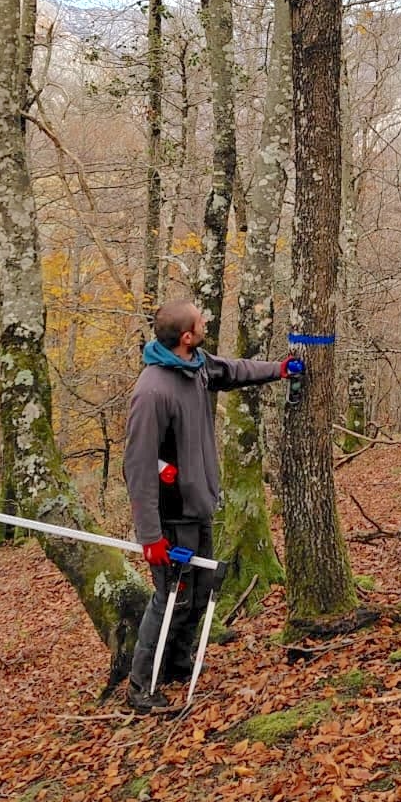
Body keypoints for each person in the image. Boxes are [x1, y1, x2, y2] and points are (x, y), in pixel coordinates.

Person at [123, 298, 304, 714]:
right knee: (171, 596)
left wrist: (278, 370)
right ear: (185, 336)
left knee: (200, 593)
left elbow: (233, 371)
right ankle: (141, 688)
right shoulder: (152, 391)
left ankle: (178, 664)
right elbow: (137, 465)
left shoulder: (198, 365)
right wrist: (150, 536)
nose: (205, 321)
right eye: (200, 321)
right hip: (170, 518)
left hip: (200, 505)